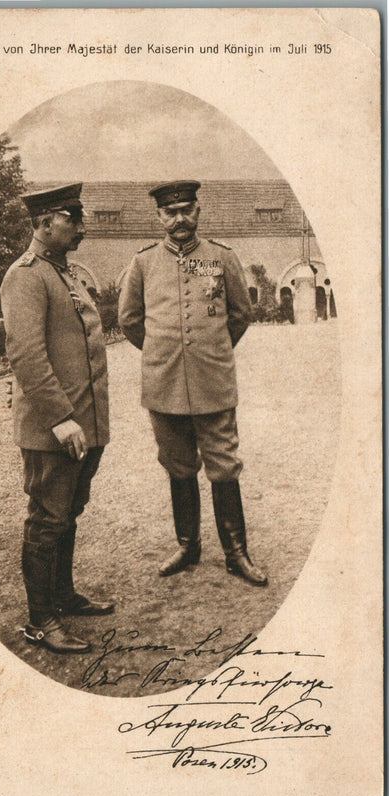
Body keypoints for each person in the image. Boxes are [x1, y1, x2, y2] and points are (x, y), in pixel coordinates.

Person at [118, 180, 267, 586]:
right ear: (159, 217)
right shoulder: (143, 263)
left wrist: (212, 350)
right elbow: (130, 321)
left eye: (186, 209)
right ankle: (188, 545)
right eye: (170, 212)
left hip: (212, 381)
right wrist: (163, 354)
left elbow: (240, 315)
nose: (179, 218)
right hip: (163, 384)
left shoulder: (221, 257)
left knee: (224, 466)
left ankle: (237, 553)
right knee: (178, 466)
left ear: (198, 211)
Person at [0, 183, 114, 655]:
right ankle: (41, 620)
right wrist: (62, 418)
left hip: (83, 424)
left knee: (68, 512)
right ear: (45, 222)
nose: (82, 228)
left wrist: (86, 422)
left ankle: (62, 598)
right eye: (74, 219)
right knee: (47, 518)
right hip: (55, 429)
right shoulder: (26, 276)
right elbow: (27, 355)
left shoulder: (65, 273)